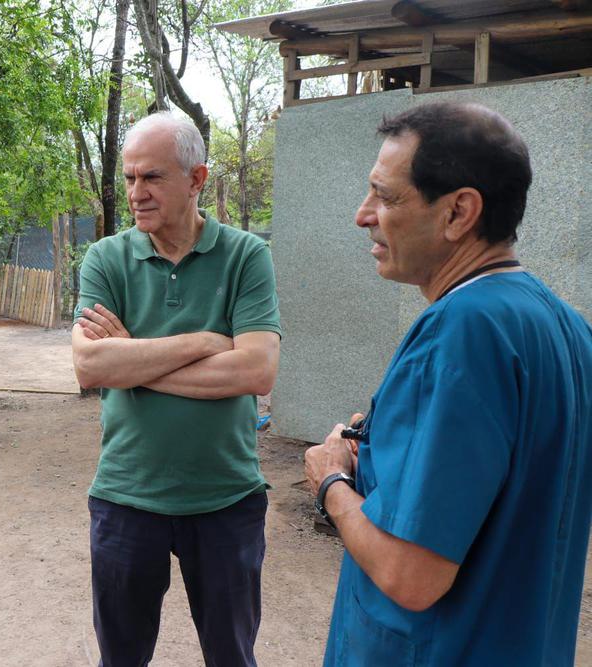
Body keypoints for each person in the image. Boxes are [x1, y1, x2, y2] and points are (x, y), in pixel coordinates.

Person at [305, 102, 592, 665]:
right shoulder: (568, 327)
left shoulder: (462, 330)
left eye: (386, 197)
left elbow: (411, 574)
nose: (363, 215)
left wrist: (330, 483)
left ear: (459, 212)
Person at [72, 112, 281, 666]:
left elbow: (255, 372)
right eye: (130, 178)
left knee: (232, 656)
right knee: (120, 658)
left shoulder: (245, 257)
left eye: (153, 178)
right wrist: (207, 340)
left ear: (196, 179)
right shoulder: (106, 258)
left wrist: (133, 357)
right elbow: (91, 365)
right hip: (125, 496)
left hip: (226, 499)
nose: (136, 194)